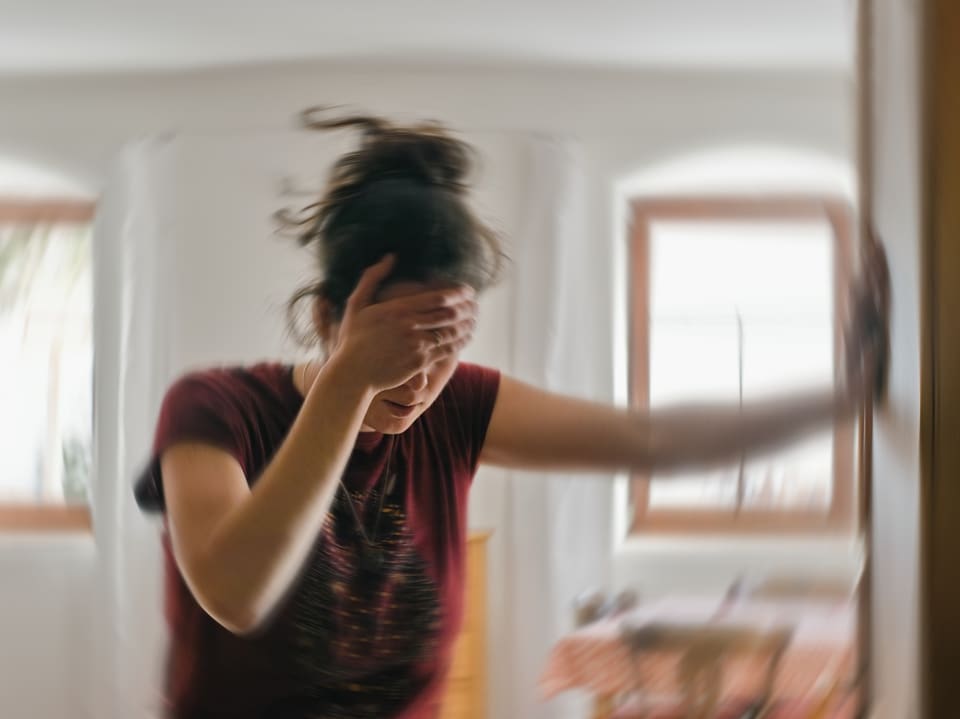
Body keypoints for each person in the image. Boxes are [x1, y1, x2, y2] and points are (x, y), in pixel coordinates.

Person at [133, 110, 888, 719]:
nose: (419, 376)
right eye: (395, 341)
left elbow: (653, 438)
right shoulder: (214, 407)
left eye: (443, 344)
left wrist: (844, 393)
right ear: (330, 317)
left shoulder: (460, 406)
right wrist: (350, 382)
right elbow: (236, 593)